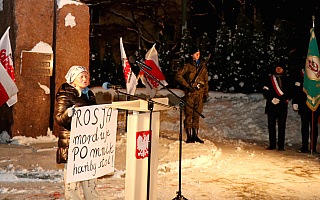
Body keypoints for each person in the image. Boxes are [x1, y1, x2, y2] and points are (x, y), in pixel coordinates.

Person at [55, 65, 100, 200]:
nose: (84, 79)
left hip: (88, 142)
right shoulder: (65, 94)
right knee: (72, 180)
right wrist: (68, 114)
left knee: (90, 177)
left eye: (86, 76)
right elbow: (59, 119)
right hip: (71, 142)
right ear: (73, 79)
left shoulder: (89, 95)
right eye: (81, 76)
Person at [175, 46, 209, 143]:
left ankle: (195, 135)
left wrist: (206, 93)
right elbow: (178, 75)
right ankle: (189, 135)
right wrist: (187, 85)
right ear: (191, 55)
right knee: (189, 114)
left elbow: (206, 80)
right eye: (195, 53)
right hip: (190, 93)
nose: (197, 54)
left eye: (198, 52)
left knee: (197, 114)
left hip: (200, 93)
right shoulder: (188, 65)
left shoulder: (203, 65)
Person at [262, 66, 292, 151]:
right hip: (271, 106)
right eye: (277, 68)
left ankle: (281, 146)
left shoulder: (287, 79)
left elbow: (290, 92)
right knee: (271, 126)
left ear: (283, 69)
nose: (278, 69)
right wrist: (272, 99)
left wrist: (280, 99)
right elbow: (265, 90)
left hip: (282, 106)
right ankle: (272, 145)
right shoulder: (269, 79)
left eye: (280, 68)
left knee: (282, 127)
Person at [292, 67, 320, 153]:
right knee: (304, 126)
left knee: (314, 126)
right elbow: (296, 90)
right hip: (303, 104)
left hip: (315, 104)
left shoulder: (317, 74)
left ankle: (313, 147)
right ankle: (304, 147)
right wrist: (295, 102)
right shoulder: (300, 74)